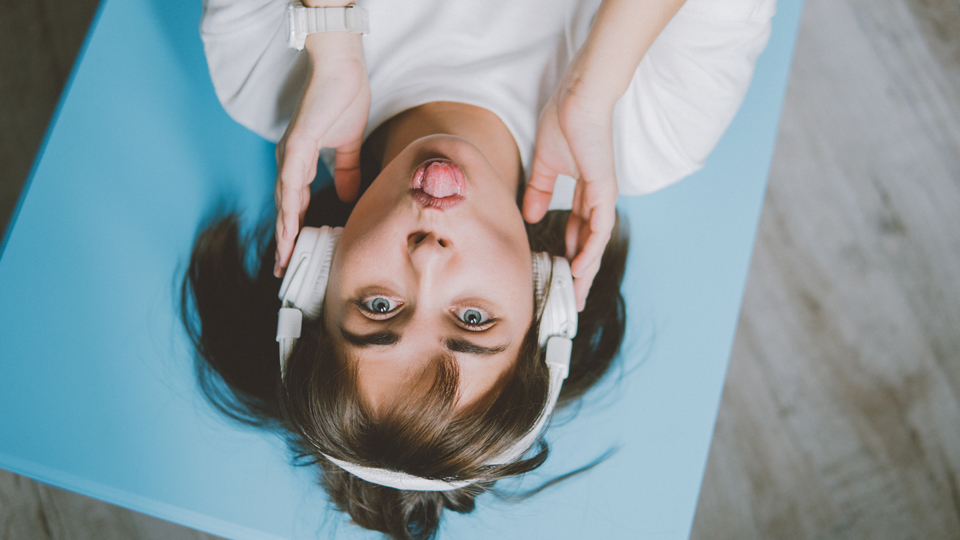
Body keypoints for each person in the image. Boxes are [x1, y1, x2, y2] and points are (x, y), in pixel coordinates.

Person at [184, 0, 775, 538]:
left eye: (379, 307)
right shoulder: (659, 130)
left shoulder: (261, 70)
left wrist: (331, 35)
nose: (428, 260)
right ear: (545, 303)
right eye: (471, 318)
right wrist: (595, 86)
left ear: (318, 274)